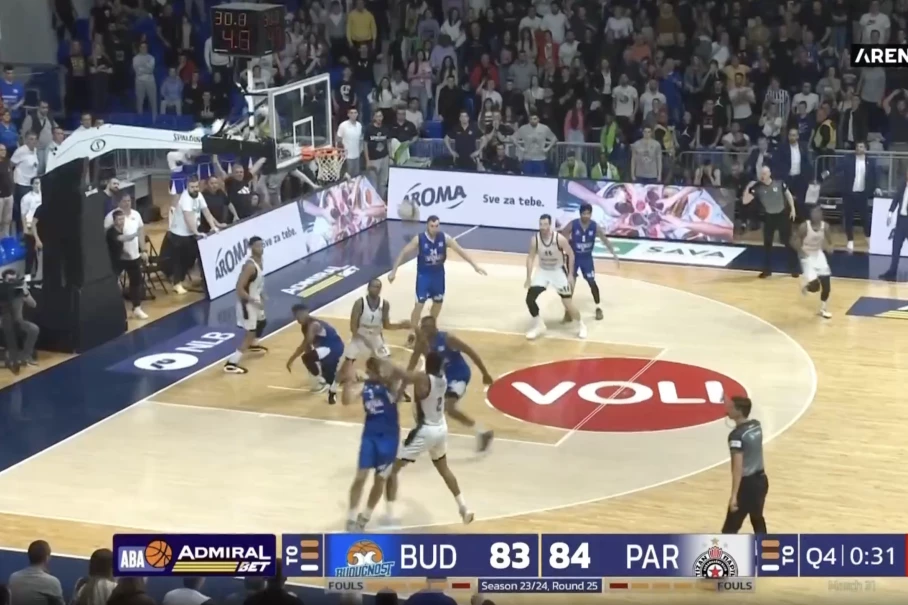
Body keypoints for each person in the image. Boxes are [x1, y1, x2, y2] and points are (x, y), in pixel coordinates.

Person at [354, 351, 474, 530]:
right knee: (444, 469)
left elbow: (402, 374)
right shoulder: (442, 380)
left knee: (388, 471)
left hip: (426, 431)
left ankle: (373, 516)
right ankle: (464, 508)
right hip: (441, 428)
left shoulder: (422, 379)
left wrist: (381, 362)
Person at [388, 216, 486, 345]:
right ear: (427, 226)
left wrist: (475, 266)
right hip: (424, 276)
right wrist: (394, 271)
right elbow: (404, 252)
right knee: (419, 305)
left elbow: (461, 251)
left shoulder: (445, 238)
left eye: (436, 226)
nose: (434, 228)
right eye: (432, 226)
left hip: (438, 276)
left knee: (438, 303)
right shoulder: (419, 239)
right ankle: (413, 332)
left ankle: (430, 329)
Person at [407, 316, 494, 452]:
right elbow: (410, 366)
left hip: (459, 375)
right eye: (423, 328)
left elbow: (470, 352)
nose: (424, 331)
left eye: (427, 328)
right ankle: (424, 433)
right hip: (441, 378)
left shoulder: (447, 339)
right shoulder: (421, 345)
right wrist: (400, 385)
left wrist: (485, 373)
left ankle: (482, 432)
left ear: (435, 328)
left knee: (449, 407)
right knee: (420, 402)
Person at [342, 356, 402, 530]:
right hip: (369, 435)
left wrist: (381, 366)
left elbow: (397, 371)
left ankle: (365, 516)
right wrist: (348, 382)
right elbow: (346, 401)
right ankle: (351, 517)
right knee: (360, 477)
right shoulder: (365, 386)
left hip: (389, 437)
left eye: (371, 371)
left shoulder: (391, 386)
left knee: (380, 479)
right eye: (367, 371)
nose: (368, 373)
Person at [525, 214, 586, 340]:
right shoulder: (535, 240)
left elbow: (571, 254)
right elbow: (530, 257)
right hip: (543, 271)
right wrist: (528, 277)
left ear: (550, 225)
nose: (543, 227)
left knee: (567, 303)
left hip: (558, 271)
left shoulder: (559, 239)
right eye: (541, 224)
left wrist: (570, 274)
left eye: (545, 224)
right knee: (530, 299)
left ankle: (581, 325)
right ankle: (539, 325)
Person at [338, 278, 409, 384]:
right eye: (374, 286)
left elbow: (387, 325)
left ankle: (389, 383)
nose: (376, 289)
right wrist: (362, 340)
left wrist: (401, 326)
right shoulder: (360, 303)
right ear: (368, 288)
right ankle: (338, 380)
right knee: (349, 360)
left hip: (376, 336)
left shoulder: (384, 304)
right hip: (360, 335)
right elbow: (353, 327)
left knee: (387, 362)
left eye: (378, 287)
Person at [560, 202, 620, 322]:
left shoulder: (594, 226)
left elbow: (604, 240)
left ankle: (598, 307)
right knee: (570, 284)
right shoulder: (573, 224)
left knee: (592, 282)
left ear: (591, 214)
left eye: (588, 213)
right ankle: (568, 311)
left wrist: (614, 254)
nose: (586, 216)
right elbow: (561, 237)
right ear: (580, 214)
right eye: (584, 213)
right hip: (574, 258)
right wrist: (561, 250)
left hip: (587, 258)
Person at [742, 167, 800, 279]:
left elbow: (788, 194)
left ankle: (794, 269)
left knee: (788, 242)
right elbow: (745, 201)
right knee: (767, 244)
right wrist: (748, 186)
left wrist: (793, 209)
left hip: (782, 215)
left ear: (769, 174)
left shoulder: (779, 183)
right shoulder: (757, 187)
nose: (762, 176)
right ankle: (767, 270)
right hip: (769, 217)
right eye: (761, 174)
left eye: (764, 173)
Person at [721, 395, 768, 534]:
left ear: (739, 411)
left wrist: (734, 495)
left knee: (729, 529)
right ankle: (766, 547)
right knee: (757, 518)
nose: (727, 409)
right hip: (761, 481)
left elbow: (737, 467)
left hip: (747, 485)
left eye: (731, 407)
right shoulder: (756, 425)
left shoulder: (736, 436)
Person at [225, 237, 269, 374]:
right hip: (247, 303)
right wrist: (253, 300)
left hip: (255, 299)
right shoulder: (250, 266)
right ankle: (232, 363)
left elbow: (256, 284)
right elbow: (239, 288)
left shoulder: (260, 261)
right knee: (250, 333)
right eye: (257, 246)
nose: (260, 248)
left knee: (262, 322)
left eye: (261, 245)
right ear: (250, 247)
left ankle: (253, 345)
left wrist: (262, 295)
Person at [286, 303, 345, 404]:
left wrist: (291, 359)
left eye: (299, 315)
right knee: (311, 359)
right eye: (295, 315)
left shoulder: (313, 325)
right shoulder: (305, 326)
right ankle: (326, 378)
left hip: (333, 348)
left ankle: (321, 384)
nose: (297, 318)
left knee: (308, 358)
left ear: (306, 312)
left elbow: (305, 344)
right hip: (327, 348)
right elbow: (308, 347)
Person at [104, 209, 148, 321]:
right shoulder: (111, 232)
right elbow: (122, 239)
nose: (121, 221)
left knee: (136, 281)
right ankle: (115, 311)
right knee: (114, 286)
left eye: (122, 219)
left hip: (127, 258)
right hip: (114, 262)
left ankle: (137, 308)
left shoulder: (123, 229)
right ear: (114, 221)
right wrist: (135, 234)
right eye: (119, 219)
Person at [791, 206, 833, 319]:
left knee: (827, 286)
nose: (816, 215)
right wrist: (800, 251)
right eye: (814, 212)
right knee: (815, 287)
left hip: (818, 255)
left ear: (821, 215)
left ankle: (823, 309)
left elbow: (830, 241)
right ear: (811, 214)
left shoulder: (825, 226)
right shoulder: (804, 226)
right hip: (806, 256)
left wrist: (829, 247)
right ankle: (806, 287)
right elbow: (794, 241)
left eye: (818, 212)